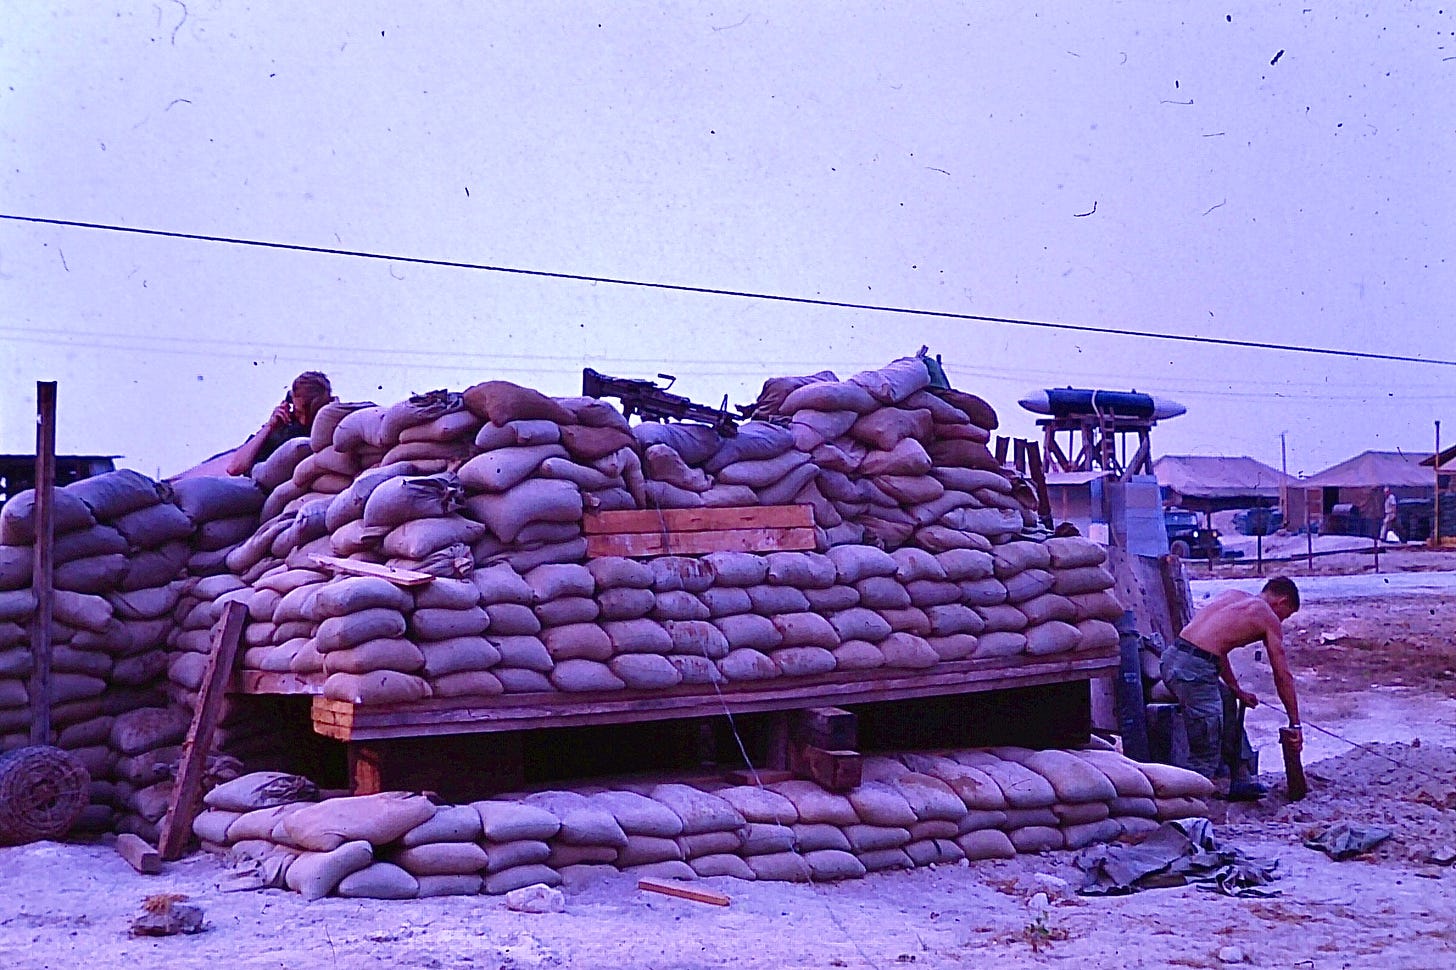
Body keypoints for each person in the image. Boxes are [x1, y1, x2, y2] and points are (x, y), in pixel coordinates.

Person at [1160, 576, 1302, 800]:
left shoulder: (1233, 596)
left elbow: (1215, 649)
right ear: (1282, 602)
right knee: (1205, 748)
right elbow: (1282, 675)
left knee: (1227, 701)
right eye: (1288, 614)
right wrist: (1295, 723)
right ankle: (1188, 808)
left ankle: (1240, 777)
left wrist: (1236, 689)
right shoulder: (1266, 616)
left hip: (1173, 657)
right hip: (1193, 671)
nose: (1283, 621)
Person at [225, 371, 335, 476]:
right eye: (299, 412)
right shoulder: (281, 426)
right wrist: (269, 426)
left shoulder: (323, 434)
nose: (303, 420)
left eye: (308, 414)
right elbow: (235, 467)